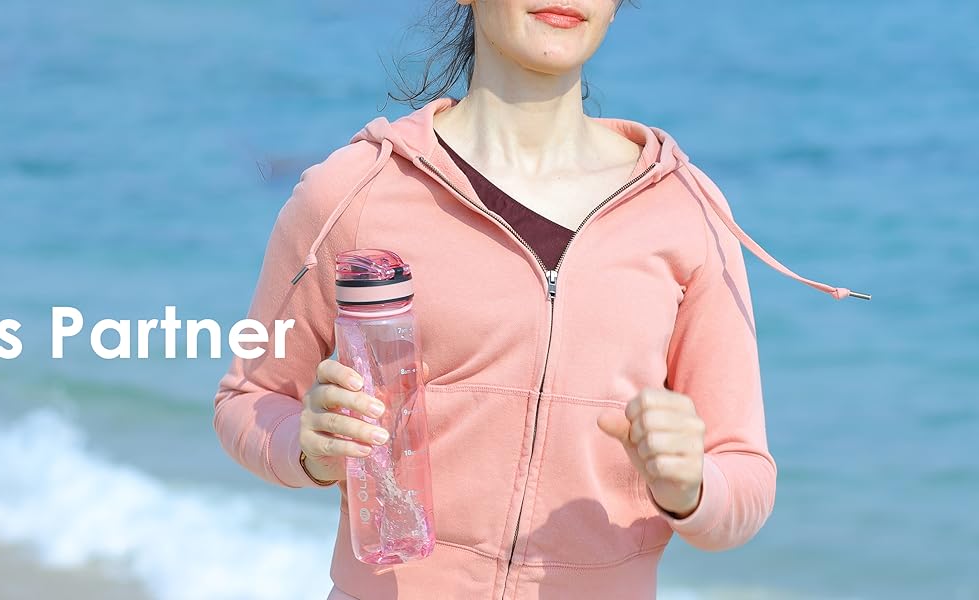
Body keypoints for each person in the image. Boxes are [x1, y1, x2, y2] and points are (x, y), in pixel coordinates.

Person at [213, 1, 868, 598]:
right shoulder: (352, 193)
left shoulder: (685, 213)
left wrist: (692, 486)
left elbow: (745, 478)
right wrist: (307, 446)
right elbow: (248, 399)